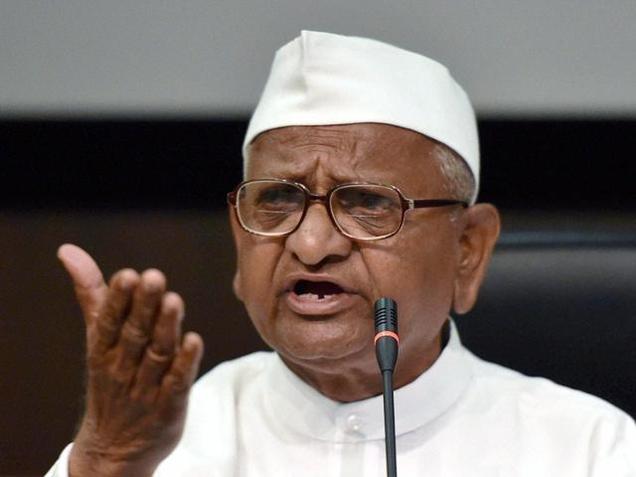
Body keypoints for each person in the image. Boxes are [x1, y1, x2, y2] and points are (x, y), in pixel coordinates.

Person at [46, 31, 635, 477]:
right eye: (276, 200)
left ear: (467, 250)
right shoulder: (153, 445)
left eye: (367, 204)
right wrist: (108, 463)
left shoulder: (587, 450)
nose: (310, 243)